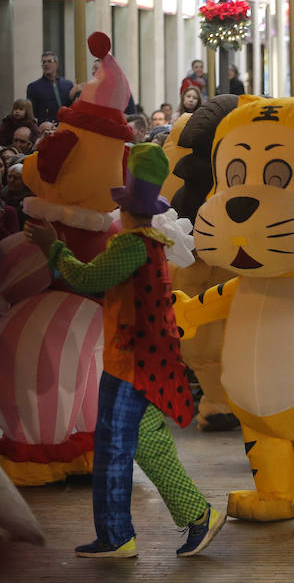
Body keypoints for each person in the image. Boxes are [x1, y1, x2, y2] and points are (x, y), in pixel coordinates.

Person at [23, 144, 224, 558]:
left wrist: (53, 247)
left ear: (127, 207)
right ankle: (198, 515)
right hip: (145, 362)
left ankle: (117, 536)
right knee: (149, 444)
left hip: (130, 365)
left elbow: (86, 278)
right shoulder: (147, 244)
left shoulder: (132, 245)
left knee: (113, 448)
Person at [27, 51, 74, 124]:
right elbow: (31, 113)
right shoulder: (33, 87)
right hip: (45, 128)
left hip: (66, 126)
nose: (46, 64)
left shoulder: (68, 85)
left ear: (56, 64)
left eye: (49, 61)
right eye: (44, 62)